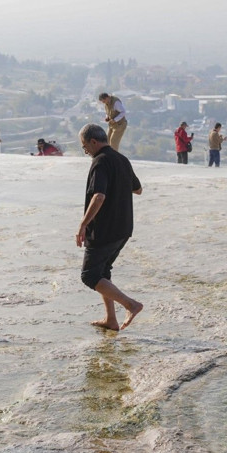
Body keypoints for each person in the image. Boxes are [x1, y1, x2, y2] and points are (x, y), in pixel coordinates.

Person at [76, 123, 143, 331]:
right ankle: (111, 319)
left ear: (93, 142)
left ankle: (131, 305)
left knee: (90, 275)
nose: (86, 151)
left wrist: (83, 224)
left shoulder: (100, 161)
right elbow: (138, 189)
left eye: (85, 146)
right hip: (123, 228)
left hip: (104, 229)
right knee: (103, 271)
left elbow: (99, 196)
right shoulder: (121, 159)